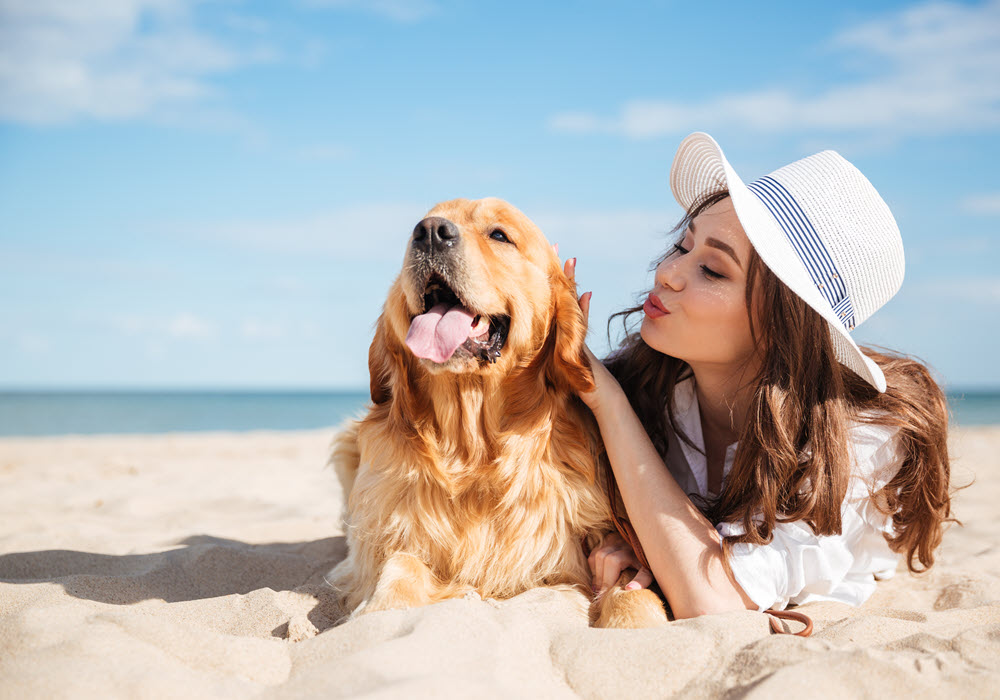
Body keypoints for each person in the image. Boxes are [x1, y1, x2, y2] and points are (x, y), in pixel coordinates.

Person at [566, 132, 952, 619]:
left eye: (712, 269)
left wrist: (610, 405)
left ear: (780, 325)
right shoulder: (655, 379)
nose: (668, 273)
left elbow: (714, 602)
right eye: (682, 247)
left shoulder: (860, 439)